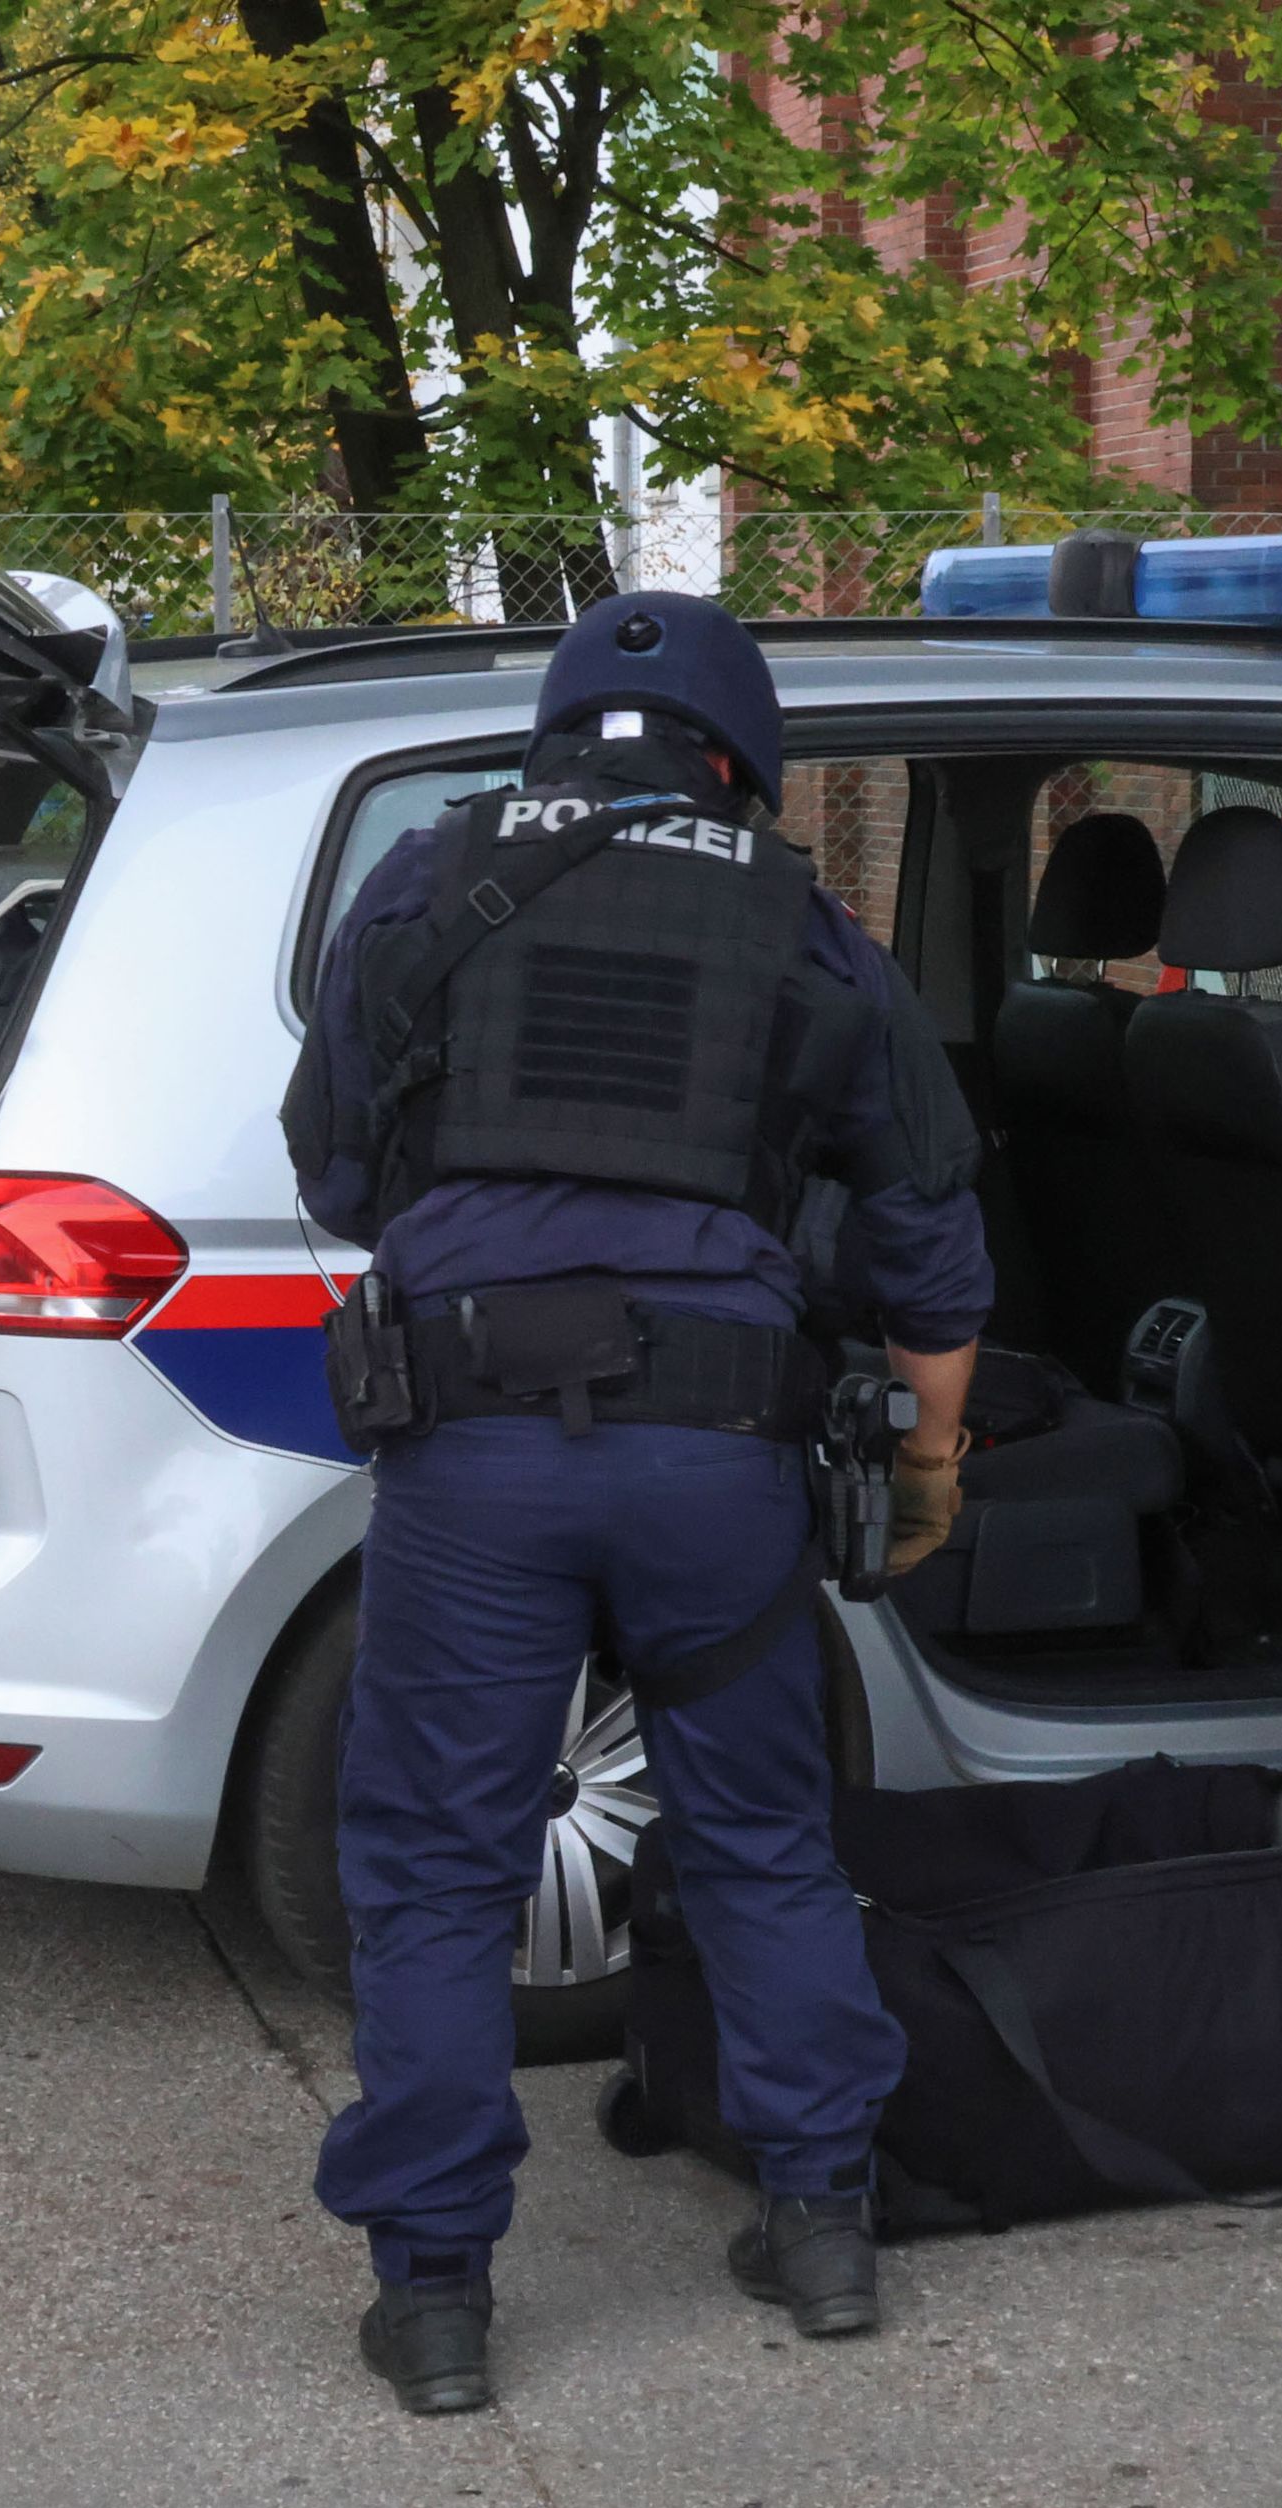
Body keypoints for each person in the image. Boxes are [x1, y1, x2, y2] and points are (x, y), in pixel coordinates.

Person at [281, 592, 987, 2415]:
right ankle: (823, 2222)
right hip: (720, 1457)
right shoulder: (804, 927)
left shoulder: (426, 888)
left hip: (478, 1446)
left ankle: (437, 2297)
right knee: (762, 1829)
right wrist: (924, 1469)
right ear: (744, 763)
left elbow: (337, 1165)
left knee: (439, 1866)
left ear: (550, 735)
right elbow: (928, 1240)